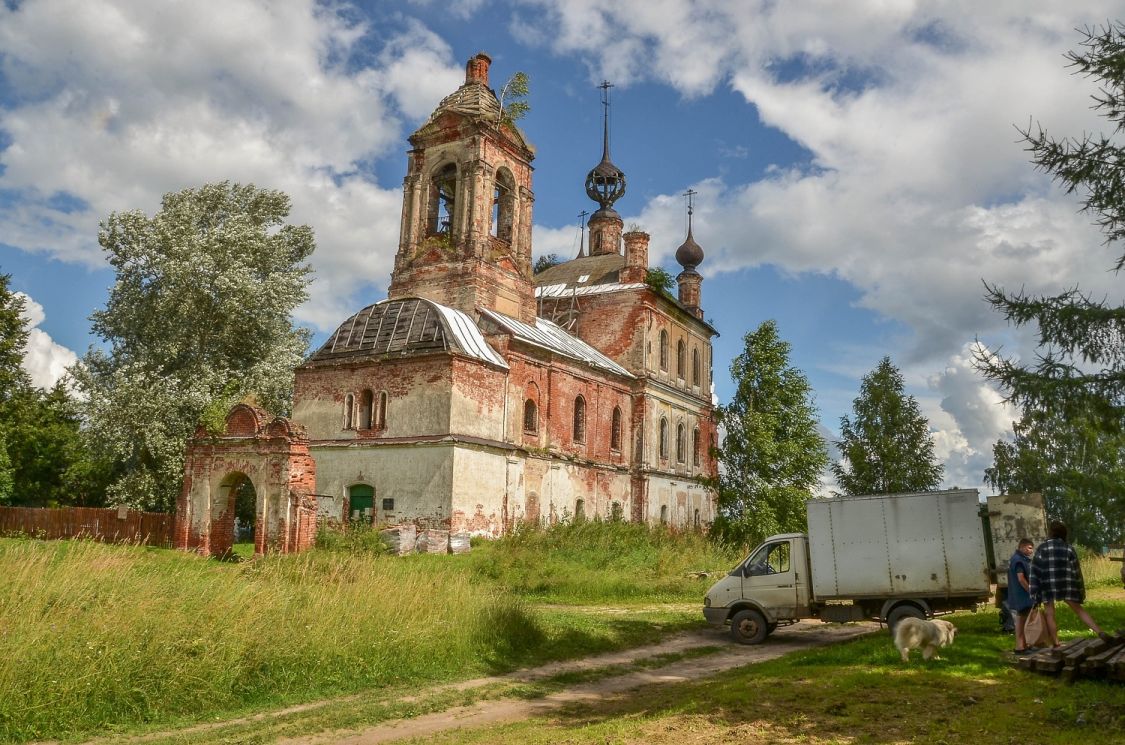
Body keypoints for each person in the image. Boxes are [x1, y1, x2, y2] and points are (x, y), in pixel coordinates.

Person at [1028, 521, 1110, 647]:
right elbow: (1077, 572)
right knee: (1079, 610)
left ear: (1050, 532)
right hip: (1067, 584)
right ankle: (1100, 632)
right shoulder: (1069, 548)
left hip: (1047, 586)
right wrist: (1080, 591)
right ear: (1063, 534)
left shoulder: (1042, 548)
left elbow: (1034, 571)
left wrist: (1034, 592)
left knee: (1050, 614)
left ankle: (1056, 643)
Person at [1008, 538, 1035, 653]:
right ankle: (1020, 647)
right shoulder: (1018, 560)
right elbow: (1021, 578)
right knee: (1021, 620)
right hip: (1022, 595)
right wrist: (1030, 590)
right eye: (1029, 548)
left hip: (1021, 595)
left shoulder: (1020, 558)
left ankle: (1024, 644)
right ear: (1022, 547)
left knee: (1024, 619)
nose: (1031, 551)